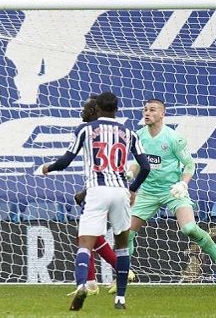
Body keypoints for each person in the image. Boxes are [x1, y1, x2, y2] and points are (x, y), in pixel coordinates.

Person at [6, 0, 188, 104]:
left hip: (64, 48)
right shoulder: (42, 8)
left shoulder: (89, 10)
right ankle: (27, 99)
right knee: (26, 70)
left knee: (53, 73)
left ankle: (31, 87)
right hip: (30, 43)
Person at [42, 92, 150, 310]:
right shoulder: (129, 133)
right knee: (121, 245)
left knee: (85, 243)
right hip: (120, 191)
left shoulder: (85, 130)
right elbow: (146, 166)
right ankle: (120, 298)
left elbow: (65, 161)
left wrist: (48, 168)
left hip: (97, 189)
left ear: (97, 108)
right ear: (116, 109)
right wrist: (133, 189)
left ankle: (83, 284)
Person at [125, 99, 216, 283]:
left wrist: (182, 184)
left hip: (173, 190)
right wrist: (130, 173)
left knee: (189, 228)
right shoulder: (139, 135)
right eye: (145, 110)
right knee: (127, 233)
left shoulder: (174, 138)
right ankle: (124, 273)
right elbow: (138, 161)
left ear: (162, 114)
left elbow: (189, 165)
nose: (147, 113)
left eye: (152, 110)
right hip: (148, 192)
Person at [67, 95, 134, 296]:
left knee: (87, 236)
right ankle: (91, 281)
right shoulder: (96, 132)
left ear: (95, 111)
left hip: (108, 192)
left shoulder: (93, 132)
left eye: (86, 108)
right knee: (89, 236)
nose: (83, 112)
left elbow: (109, 170)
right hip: (106, 190)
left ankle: (106, 274)